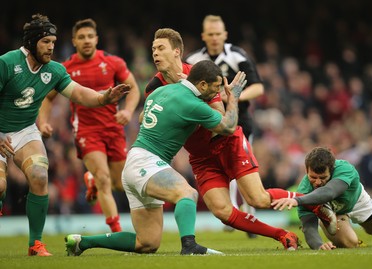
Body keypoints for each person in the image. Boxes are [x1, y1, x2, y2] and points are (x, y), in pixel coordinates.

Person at [143, 28, 336, 251]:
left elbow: (220, 116)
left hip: (227, 143)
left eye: (160, 48)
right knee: (222, 211)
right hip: (201, 157)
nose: (155, 53)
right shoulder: (154, 87)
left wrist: (189, 97)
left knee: (257, 199)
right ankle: (283, 235)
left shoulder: (198, 75)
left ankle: (315, 203)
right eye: (153, 49)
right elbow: (148, 117)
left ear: (176, 52)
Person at [64, 59, 247, 256]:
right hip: (148, 163)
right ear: (202, 85)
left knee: (147, 243)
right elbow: (228, 127)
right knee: (187, 193)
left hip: (135, 162)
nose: (218, 92)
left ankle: (82, 242)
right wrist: (234, 97)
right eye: (216, 86)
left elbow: (142, 117)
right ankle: (190, 246)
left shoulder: (162, 90)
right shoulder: (192, 104)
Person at [0, 14, 131, 256]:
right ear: (31, 43)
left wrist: (104, 97)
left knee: (39, 174)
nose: (51, 47)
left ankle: (35, 244)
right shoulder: (7, 63)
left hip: (25, 129)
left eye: (53, 41)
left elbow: (79, 93)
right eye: (45, 42)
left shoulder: (55, 70)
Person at [38, 18, 140, 232]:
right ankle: (116, 231)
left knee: (120, 184)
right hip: (86, 131)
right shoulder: (66, 68)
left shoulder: (113, 63)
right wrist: (43, 122)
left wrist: (128, 111)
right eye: (81, 37)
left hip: (113, 129)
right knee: (105, 179)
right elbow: (48, 97)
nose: (86, 41)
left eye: (90, 36)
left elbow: (133, 87)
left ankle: (91, 179)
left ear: (96, 39)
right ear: (74, 41)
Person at [185, 15, 264, 238]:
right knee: (221, 166)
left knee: (243, 165)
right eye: (210, 34)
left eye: (218, 33)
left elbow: (258, 88)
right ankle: (233, 213)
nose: (214, 38)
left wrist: (233, 99)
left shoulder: (238, 56)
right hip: (210, 122)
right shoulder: (193, 60)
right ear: (203, 36)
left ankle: (249, 211)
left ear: (225, 35)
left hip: (240, 120)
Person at [272, 147, 372, 250]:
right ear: (306, 170)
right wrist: (319, 245)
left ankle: (361, 222)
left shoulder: (345, 169)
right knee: (351, 243)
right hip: (336, 213)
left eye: (323, 177)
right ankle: (325, 219)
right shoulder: (304, 190)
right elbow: (308, 226)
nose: (317, 182)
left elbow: (330, 192)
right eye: (313, 177)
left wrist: (297, 200)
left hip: (357, 201)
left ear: (332, 170)